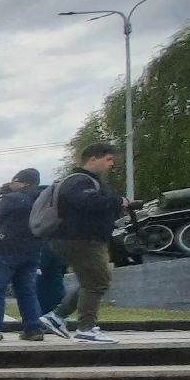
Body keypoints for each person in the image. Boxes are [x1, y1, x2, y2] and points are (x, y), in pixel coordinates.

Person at [49, 141, 139, 343]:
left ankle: (56, 317)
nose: (110, 165)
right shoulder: (80, 180)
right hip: (82, 239)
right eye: (108, 160)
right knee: (98, 282)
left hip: (76, 238)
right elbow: (85, 203)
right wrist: (117, 201)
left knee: (91, 282)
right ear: (93, 159)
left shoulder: (82, 181)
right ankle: (85, 329)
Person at [0, 168, 49, 341]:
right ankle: (33, 329)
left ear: (22, 182)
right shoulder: (42, 199)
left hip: (6, 251)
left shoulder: (12, 199)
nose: (10, 184)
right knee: (27, 291)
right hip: (33, 250)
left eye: (13, 181)